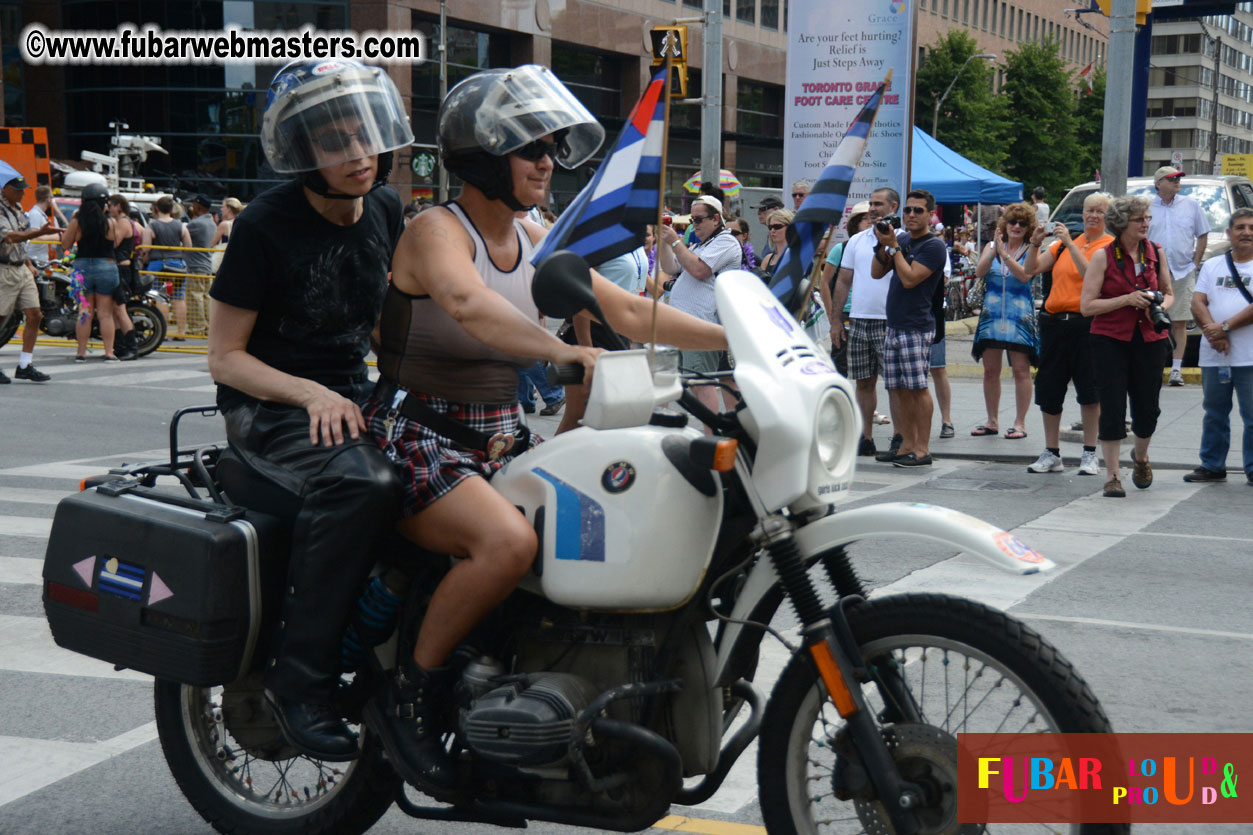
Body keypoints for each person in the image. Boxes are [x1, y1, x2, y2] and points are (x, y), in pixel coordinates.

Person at [359, 64, 726, 794]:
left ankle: (536, 684)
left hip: (495, 441)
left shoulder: (533, 236)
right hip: (416, 435)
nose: (546, 163)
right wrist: (562, 349)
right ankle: (411, 694)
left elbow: (626, 312)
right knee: (507, 542)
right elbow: (465, 303)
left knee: (605, 523)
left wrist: (738, 336)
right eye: (531, 149)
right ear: (484, 157)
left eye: (553, 148)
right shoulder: (436, 230)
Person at [206, 58, 414, 762]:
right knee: (364, 484)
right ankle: (297, 685)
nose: (357, 154)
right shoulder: (265, 226)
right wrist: (311, 392)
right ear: (303, 156)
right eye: (334, 143)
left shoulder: (385, 207)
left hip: (350, 399)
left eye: (364, 135)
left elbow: (383, 324)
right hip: (267, 407)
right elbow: (225, 357)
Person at [1080, 194, 1174, 498]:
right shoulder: (1103, 256)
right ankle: (1112, 475)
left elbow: (1169, 293)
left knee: (1148, 408)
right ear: (1123, 223)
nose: (1145, 224)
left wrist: (1158, 303)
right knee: (1113, 407)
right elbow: (1087, 306)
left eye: (1147, 219)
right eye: (1138, 220)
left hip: (1150, 338)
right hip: (1110, 339)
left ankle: (1141, 457)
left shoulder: (1156, 253)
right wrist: (1126, 300)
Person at [1023, 192, 1113, 475]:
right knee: (1049, 388)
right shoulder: (1064, 245)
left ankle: (1089, 453)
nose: (1093, 216)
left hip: (1087, 324)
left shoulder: (1109, 246)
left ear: (1108, 217)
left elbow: (1091, 276)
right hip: (1053, 322)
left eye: (1099, 211)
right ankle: (1052, 452)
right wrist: (1036, 242)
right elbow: (1031, 270)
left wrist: (1070, 245)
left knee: (1089, 390)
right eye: (1089, 210)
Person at [870, 188, 948, 467]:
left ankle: (923, 449)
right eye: (908, 210)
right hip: (894, 324)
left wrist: (895, 248)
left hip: (916, 326)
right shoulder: (901, 239)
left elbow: (911, 279)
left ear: (930, 214)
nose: (911, 215)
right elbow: (876, 272)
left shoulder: (933, 246)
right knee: (896, 388)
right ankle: (904, 445)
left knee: (917, 388)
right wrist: (883, 244)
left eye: (918, 210)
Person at [1184, 207, 1253, 484]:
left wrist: (1224, 327)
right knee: (1214, 413)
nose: (1246, 232)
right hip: (1216, 356)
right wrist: (1214, 334)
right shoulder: (1213, 265)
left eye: (1251, 227)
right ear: (1229, 233)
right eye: (1240, 227)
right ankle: (1212, 465)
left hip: (1249, 357)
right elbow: (1197, 302)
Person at [831, 188, 901, 458]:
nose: (873, 209)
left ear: (893, 206)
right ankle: (866, 437)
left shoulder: (902, 238)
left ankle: (899, 436)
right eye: (871, 204)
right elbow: (844, 281)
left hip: (890, 320)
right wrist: (837, 320)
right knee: (863, 381)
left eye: (878, 204)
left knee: (894, 384)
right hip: (859, 319)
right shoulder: (857, 241)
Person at [656, 193, 740, 412]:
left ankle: (711, 437)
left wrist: (675, 240)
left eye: (699, 219)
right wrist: (664, 241)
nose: (694, 224)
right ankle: (658, 425)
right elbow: (670, 268)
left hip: (700, 324)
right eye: (692, 220)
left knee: (700, 384)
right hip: (679, 323)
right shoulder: (699, 246)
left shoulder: (726, 241)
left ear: (715, 219)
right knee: (664, 379)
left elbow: (699, 270)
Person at [970, 202, 1040, 440]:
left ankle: (1020, 422)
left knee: (1021, 370)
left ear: (1029, 227)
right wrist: (994, 249)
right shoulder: (992, 245)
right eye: (1012, 222)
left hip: (1019, 316)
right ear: (1004, 224)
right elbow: (979, 272)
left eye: (1022, 223)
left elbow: (1024, 275)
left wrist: (1005, 255)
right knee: (990, 370)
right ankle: (992, 420)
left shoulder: (1032, 248)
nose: (1017, 226)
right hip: (992, 314)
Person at [1147, 166, 1210, 387]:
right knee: (1150, 319)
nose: (1177, 182)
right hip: (1152, 273)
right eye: (1171, 179)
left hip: (1182, 272)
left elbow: (1203, 234)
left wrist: (1195, 261)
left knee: (1180, 322)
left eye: (1178, 178)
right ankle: (1152, 366)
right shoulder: (1146, 207)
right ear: (1158, 183)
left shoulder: (1191, 205)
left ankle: (1175, 369)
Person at [61, 183, 127, 361]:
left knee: (85, 312)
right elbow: (114, 244)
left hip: (82, 267)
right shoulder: (110, 223)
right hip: (106, 265)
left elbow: (65, 245)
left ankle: (81, 353)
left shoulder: (77, 221)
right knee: (105, 313)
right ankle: (108, 352)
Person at [0, 174, 55, 383]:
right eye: (18, 189)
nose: (22, 193)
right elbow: (10, 237)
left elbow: (21, 241)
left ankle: (25, 364)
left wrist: (29, 263)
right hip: (4, 267)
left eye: (23, 189)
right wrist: (37, 234)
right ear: (5, 189)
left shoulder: (19, 209)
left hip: (21, 266)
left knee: (35, 314)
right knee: (1, 318)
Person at [819, 201, 872, 378]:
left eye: (872, 218)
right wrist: (832, 316)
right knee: (840, 363)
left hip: (870, 315)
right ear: (854, 222)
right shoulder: (841, 248)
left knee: (868, 370)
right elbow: (824, 282)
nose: (869, 222)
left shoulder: (880, 249)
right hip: (845, 313)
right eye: (864, 219)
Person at [141, 195, 193, 341]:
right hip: (178, 265)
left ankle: (161, 331)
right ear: (172, 209)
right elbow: (188, 246)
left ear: (156, 209)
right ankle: (181, 332)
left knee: (160, 296)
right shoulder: (180, 225)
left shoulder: (152, 226)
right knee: (178, 297)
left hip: (158, 264)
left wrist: (144, 258)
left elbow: (146, 248)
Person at [106, 194, 141, 360]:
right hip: (120, 268)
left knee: (120, 309)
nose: (108, 208)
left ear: (119, 205)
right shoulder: (126, 221)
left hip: (121, 269)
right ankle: (119, 346)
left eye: (111, 205)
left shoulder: (123, 222)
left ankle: (131, 347)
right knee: (115, 310)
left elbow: (113, 243)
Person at [185, 194, 217, 335]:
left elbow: (182, 235)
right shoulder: (211, 222)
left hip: (196, 265)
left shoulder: (196, 224)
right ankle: (207, 326)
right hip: (207, 264)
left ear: (198, 206)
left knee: (194, 296)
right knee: (206, 297)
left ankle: (197, 327)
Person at [26, 185, 67, 264]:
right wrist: (56, 237)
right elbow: (34, 237)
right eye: (52, 198)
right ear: (48, 199)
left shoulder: (40, 214)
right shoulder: (35, 214)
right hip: (35, 259)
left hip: (41, 259)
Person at [754, 208, 793, 277]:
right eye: (770, 227)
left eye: (777, 227)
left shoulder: (796, 256)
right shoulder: (768, 259)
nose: (772, 230)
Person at [754, 195, 784, 262]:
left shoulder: (783, 234)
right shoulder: (771, 234)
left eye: (763, 209)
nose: (758, 213)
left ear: (776, 210)